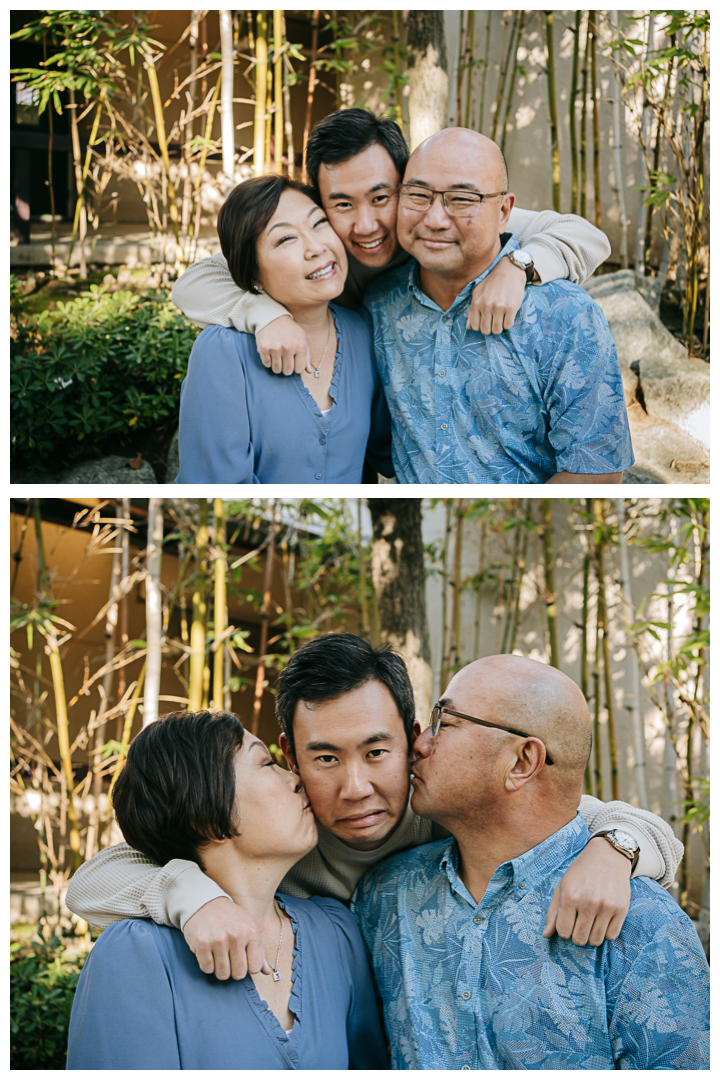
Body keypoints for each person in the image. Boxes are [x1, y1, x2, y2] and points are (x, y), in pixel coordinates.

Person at [66, 635, 683, 985]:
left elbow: (607, 820)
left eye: (378, 751)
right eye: (326, 759)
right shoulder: (279, 838)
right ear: (289, 756)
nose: (357, 788)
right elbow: (91, 883)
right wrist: (195, 898)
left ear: (415, 739)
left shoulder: (448, 813)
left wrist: (615, 848)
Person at [352, 655, 709, 1070]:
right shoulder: (386, 895)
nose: (420, 743)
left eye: (444, 723)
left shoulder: (643, 924)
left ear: (522, 762)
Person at [172, 109, 611, 377]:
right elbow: (194, 282)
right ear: (319, 205)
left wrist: (519, 265)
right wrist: (264, 314)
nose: (366, 226)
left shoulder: (442, 224)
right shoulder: (321, 246)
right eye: (341, 205)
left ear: (408, 185)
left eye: (381, 198)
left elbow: (587, 236)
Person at [66, 711, 388, 1070]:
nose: (296, 779)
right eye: (267, 763)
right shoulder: (137, 954)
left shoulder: (335, 930)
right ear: (206, 814)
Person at [363, 127, 635, 484]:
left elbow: (597, 473)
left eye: (461, 200)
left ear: (505, 210)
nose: (434, 219)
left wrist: (519, 264)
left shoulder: (564, 316)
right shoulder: (380, 304)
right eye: (417, 195)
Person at [176, 175, 393, 483]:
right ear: (252, 273)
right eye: (286, 239)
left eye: (319, 223)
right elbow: (217, 487)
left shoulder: (362, 331)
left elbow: (391, 453)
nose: (316, 247)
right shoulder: (222, 351)